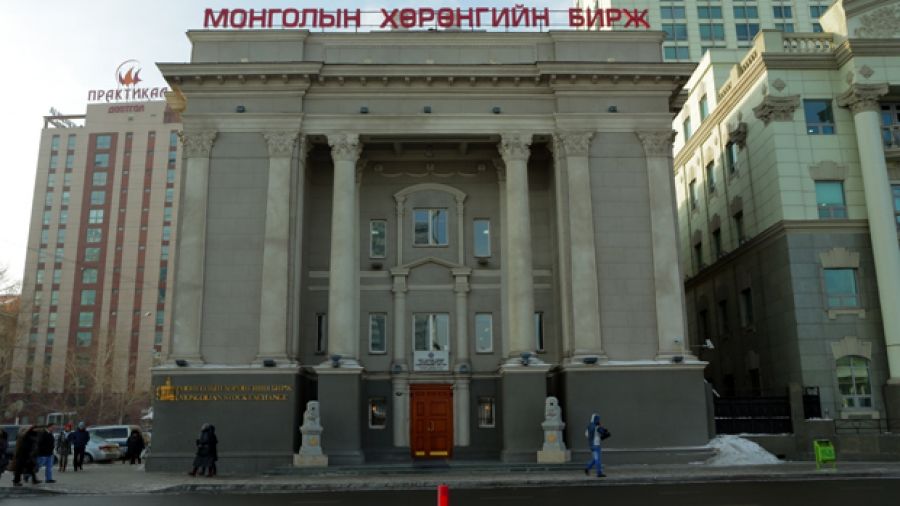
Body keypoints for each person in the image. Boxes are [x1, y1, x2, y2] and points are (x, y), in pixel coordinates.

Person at [583, 413, 609, 478]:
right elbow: (603, 432)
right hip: (596, 445)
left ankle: (587, 468)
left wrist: (592, 437)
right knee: (598, 459)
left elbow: (586, 434)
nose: (599, 420)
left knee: (595, 459)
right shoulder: (597, 426)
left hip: (591, 445)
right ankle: (599, 473)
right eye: (598, 419)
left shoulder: (589, 426)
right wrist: (604, 432)